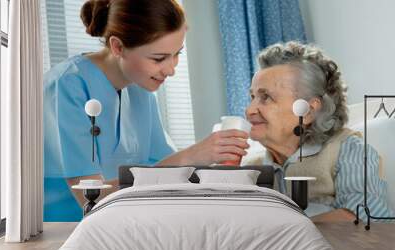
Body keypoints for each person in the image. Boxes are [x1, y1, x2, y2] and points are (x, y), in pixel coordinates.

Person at [44, 0, 249, 221]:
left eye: (177, 53)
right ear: (118, 47)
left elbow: (165, 175)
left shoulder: (140, 89)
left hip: (129, 225)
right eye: (159, 58)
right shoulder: (68, 85)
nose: (171, 70)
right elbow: (91, 199)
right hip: (65, 233)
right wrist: (189, 157)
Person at [242, 41, 394, 221]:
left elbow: (366, 214)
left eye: (265, 97)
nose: (250, 110)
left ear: (308, 111)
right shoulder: (249, 168)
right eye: (252, 97)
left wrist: (281, 237)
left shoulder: (347, 150)